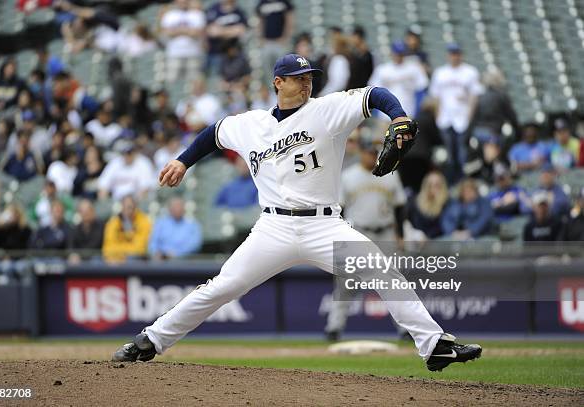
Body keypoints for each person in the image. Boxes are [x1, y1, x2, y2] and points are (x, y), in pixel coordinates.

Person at [113, 53, 482, 371]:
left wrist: (398, 116)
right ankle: (150, 340)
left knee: (382, 269)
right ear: (278, 82)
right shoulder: (250, 124)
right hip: (272, 228)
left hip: (325, 226)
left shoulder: (326, 111)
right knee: (222, 287)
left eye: (310, 78)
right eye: (299, 79)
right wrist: (182, 161)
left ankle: (434, 346)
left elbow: (375, 95)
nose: (307, 84)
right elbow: (213, 132)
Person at [324, 139, 408, 341]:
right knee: (346, 282)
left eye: (374, 152)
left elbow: (400, 206)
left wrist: (401, 235)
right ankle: (334, 327)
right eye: (368, 152)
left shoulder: (389, 174)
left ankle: (405, 329)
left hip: (386, 233)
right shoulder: (348, 176)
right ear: (361, 152)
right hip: (357, 233)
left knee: (393, 282)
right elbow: (339, 210)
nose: (371, 155)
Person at [429, 44, 483, 183]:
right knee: (448, 155)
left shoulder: (470, 71)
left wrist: (469, 116)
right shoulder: (440, 73)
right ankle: (450, 182)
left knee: (462, 154)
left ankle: (463, 182)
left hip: (462, 119)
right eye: (452, 53)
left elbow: (475, 96)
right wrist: (437, 117)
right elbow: (435, 97)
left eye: (457, 53)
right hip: (445, 119)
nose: (454, 56)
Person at [368, 41, 428, 120]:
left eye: (401, 53)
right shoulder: (383, 69)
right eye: (397, 53)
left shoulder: (413, 68)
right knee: (382, 132)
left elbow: (422, 86)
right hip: (385, 115)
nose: (399, 56)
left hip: (407, 112)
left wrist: (417, 109)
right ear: (392, 53)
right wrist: (376, 111)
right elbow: (373, 90)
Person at [158, 0, 206, 83]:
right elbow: (166, 32)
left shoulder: (197, 14)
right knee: (172, 82)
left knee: (193, 82)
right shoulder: (170, 15)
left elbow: (198, 32)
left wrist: (177, 31)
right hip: (174, 54)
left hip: (193, 54)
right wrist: (187, 31)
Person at [102, 195, 152, 263]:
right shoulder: (113, 222)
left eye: (130, 207)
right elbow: (107, 248)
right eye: (124, 207)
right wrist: (122, 255)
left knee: (133, 259)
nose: (127, 211)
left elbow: (140, 249)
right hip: (115, 260)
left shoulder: (144, 221)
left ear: (135, 207)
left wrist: (120, 254)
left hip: (135, 260)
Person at [205, 0, 248, 75]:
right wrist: (232, 31)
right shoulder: (213, 9)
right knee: (216, 79)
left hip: (234, 53)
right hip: (216, 52)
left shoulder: (239, 11)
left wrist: (221, 31)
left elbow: (241, 30)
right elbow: (212, 31)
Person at [255, 0, 294, 79]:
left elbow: (289, 19)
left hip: (280, 42)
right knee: (267, 68)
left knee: (283, 68)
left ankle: (282, 89)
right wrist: (260, 38)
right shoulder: (262, 3)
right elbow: (260, 21)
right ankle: (272, 89)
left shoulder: (285, 2)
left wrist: (286, 37)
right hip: (267, 42)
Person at [407, 170, 449, 239]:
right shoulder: (416, 202)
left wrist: (439, 202)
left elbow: (444, 227)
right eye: (430, 185)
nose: (432, 188)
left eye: (437, 185)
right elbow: (412, 224)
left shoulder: (446, 202)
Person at [68, 199, 105, 263]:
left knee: (96, 260)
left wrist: (80, 255)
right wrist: (73, 255)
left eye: (87, 211)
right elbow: (71, 246)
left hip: (96, 258)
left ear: (93, 211)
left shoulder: (101, 226)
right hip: (79, 260)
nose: (85, 214)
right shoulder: (75, 228)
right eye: (83, 211)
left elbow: (95, 245)